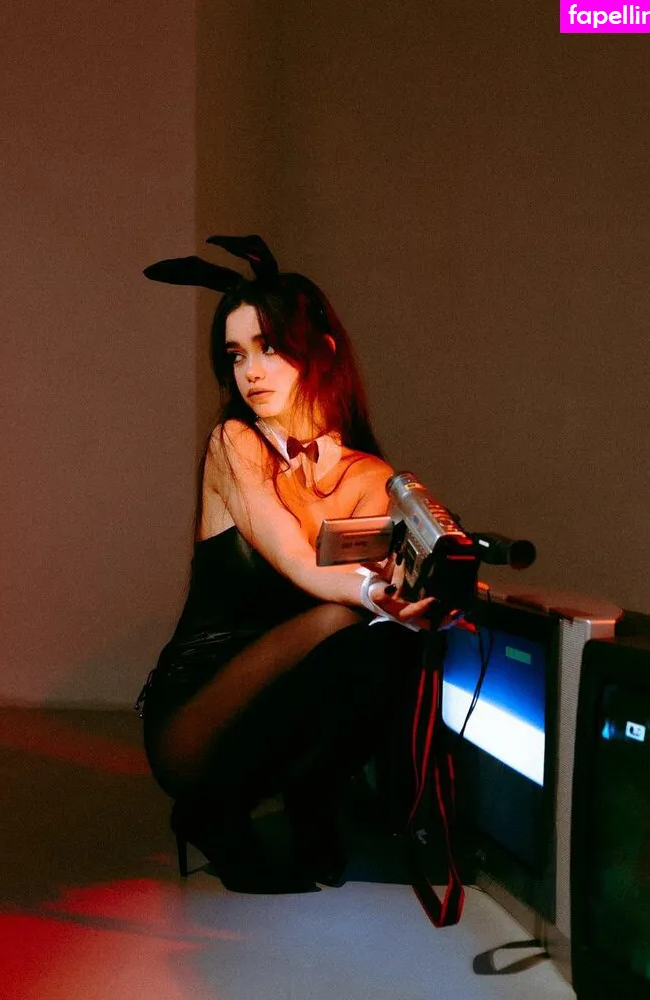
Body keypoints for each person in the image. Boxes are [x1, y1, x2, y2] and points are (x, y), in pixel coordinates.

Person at [137, 235, 436, 894]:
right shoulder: (233, 443)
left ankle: (314, 795)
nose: (250, 371)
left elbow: (395, 578)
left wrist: (418, 591)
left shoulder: (370, 476)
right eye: (236, 354)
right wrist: (375, 593)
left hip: (287, 714)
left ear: (320, 352)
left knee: (396, 637)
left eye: (269, 348)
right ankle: (212, 810)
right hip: (198, 716)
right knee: (346, 613)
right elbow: (300, 565)